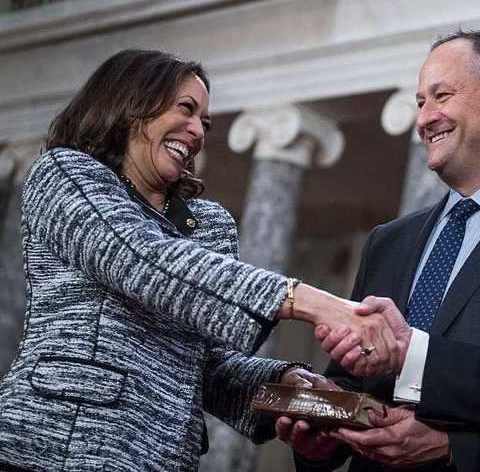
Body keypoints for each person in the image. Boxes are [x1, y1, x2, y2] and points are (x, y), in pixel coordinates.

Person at [0, 49, 398, 471]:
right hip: (50, 448)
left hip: (162, 457)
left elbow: (207, 364)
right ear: (128, 105)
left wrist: (288, 388)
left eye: (204, 123)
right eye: (185, 109)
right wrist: (318, 305)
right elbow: (144, 259)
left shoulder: (208, 224)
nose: (197, 131)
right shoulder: (64, 174)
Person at [278, 30, 480, 472]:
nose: (424, 119)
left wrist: (452, 447)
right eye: (420, 103)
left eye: (442, 96)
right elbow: (350, 381)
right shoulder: (388, 241)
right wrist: (321, 438)